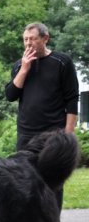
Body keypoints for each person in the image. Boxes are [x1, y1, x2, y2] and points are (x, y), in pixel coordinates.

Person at [5, 22, 79, 210]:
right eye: (25, 40)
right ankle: (29, 220)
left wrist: (68, 134)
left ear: (45, 39)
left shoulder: (62, 62)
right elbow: (10, 95)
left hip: (53, 133)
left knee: (54, 179)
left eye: (33, 39)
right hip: (26, 134)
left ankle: (52, 220)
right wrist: (24, 69)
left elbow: (72, 99)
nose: (28, 44)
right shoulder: (19, 66)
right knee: (23, 177)